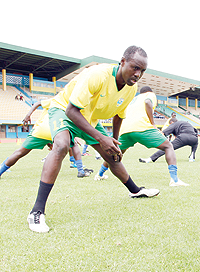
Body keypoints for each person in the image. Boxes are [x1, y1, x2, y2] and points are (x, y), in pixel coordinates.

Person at [26, 46, 160, 233]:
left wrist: (113, 142)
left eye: (142, 71)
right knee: (62, 146)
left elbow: (119, 116)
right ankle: (36, 212)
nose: (138, 74)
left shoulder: (131, 88)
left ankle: (135, 190)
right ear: (122, 62)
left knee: (111, 155)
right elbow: (71, 110)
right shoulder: (98, 74)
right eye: (135, 68)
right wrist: (101, 138)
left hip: (90, 117)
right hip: (64, 110)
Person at [95, 86, 188, 186]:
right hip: (141, 126)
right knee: (168, 146)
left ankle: (99, 174)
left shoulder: (133, 99)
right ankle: (174, 180)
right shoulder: (150, 95)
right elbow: (148, 102)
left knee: (115, 153)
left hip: (125, 129)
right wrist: (152, 123)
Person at [0, 100, 92, 179]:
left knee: (20, 152)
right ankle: (80, 170)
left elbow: (37, 103)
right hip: (57, 129)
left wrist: (28, 115)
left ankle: (0, 171)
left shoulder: (56, 100)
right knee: (74, 144)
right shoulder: (70, 104)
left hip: (41, 130)